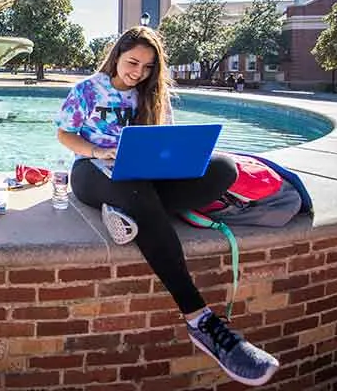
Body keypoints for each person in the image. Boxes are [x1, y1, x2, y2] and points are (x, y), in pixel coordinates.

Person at [54, 26, 279, 387]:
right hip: (91, 170)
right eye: (132, 63)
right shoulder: (87, 90)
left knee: (222, 168)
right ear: (117, 55)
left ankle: (126, 211)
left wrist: (173, 162)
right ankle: (199, 319)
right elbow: (64, 134)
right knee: (136, 188)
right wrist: (99, 151)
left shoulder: (152, 94)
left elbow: (163, 142)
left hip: (139, 176)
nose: (138, 72)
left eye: (147, 67)